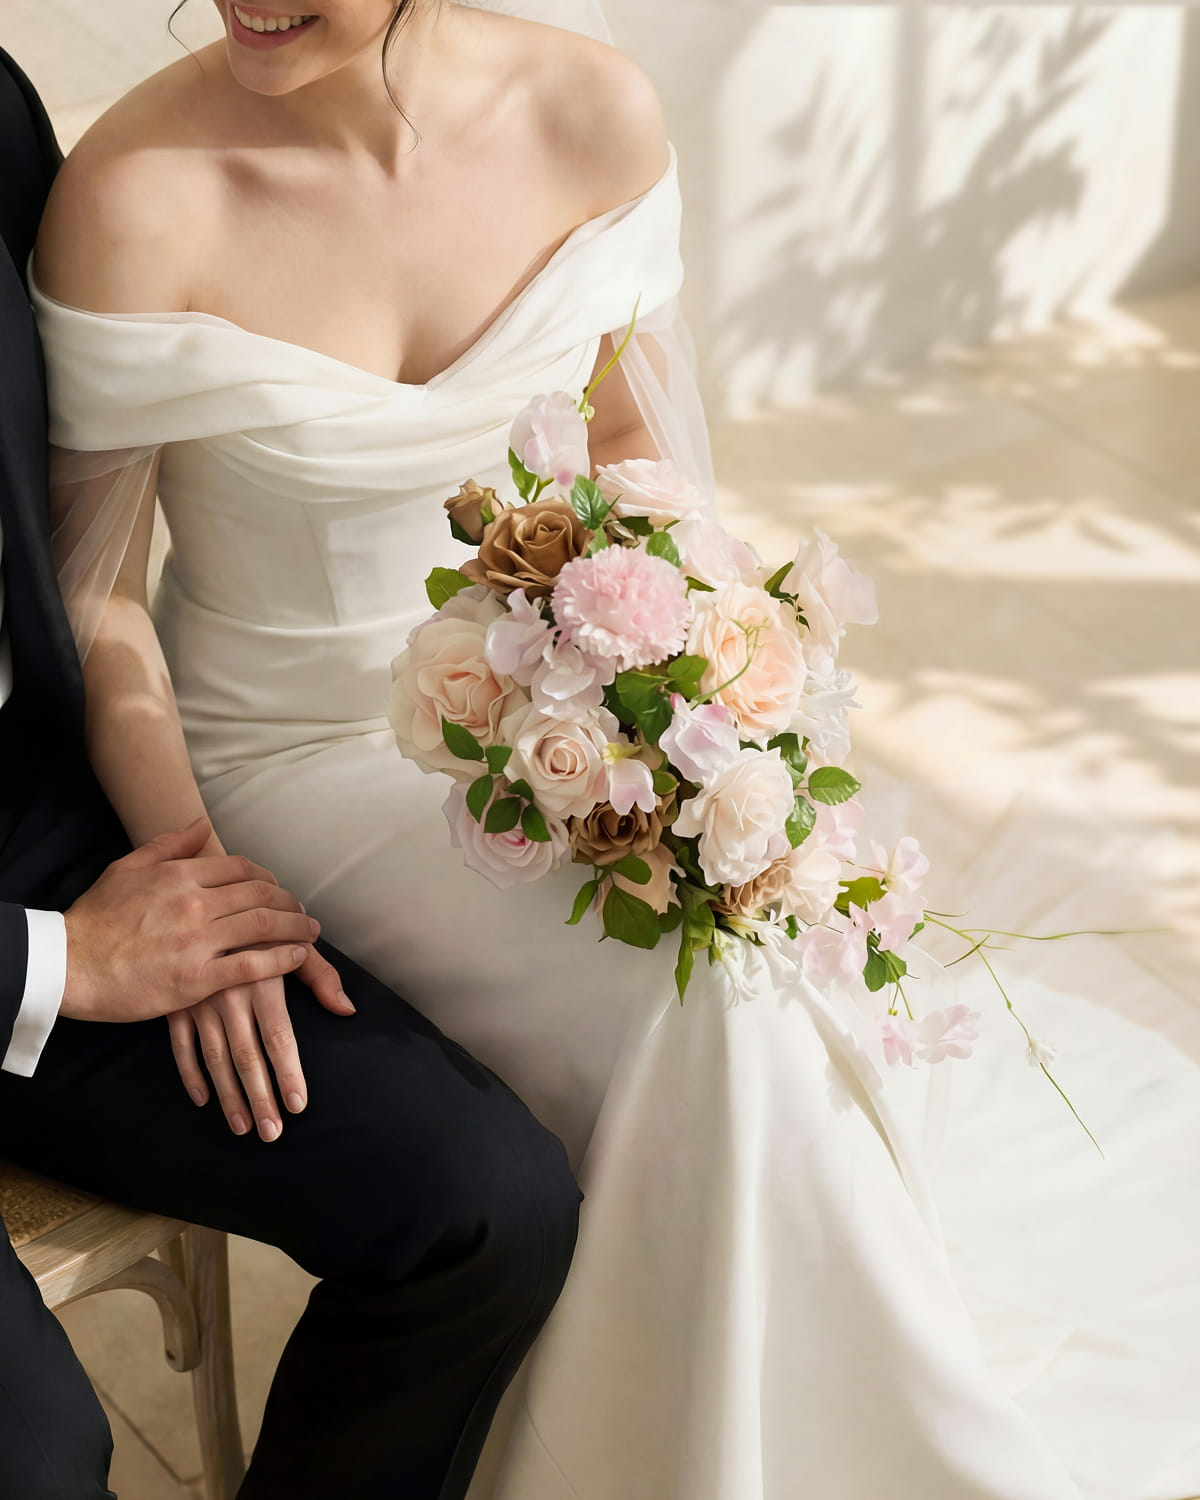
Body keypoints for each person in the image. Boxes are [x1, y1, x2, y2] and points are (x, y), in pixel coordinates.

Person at [23, 3, 1200, 1498]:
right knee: (694, 1006)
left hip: (543, 700)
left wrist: (681, 689)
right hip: (290, 751)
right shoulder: (137, 194)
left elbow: (635, 450)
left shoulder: (591, 113)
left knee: (743, 978)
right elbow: (94, 591)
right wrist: (186, 865)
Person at [0, 42, 580, 1500]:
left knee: (483, 1207)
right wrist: (56, 962)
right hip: (37, 940)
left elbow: (74, 561)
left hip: (27, 834)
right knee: (36, 1452)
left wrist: (180, 885)